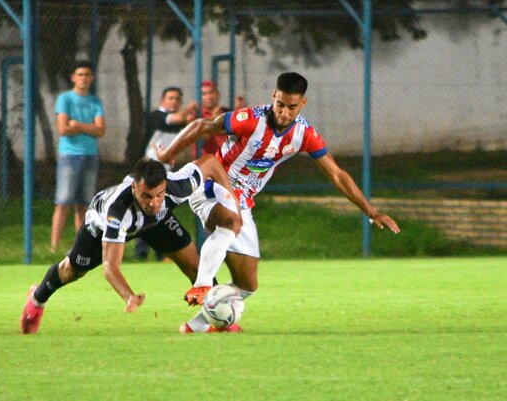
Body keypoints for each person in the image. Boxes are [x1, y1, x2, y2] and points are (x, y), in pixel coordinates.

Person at [155, 71, 401, 333]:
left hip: (243, 199)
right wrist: (168, 154)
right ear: (274, 96)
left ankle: (200, 324)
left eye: (291, 107)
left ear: (302, 104)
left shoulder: (304, 134)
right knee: (230, 222)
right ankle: (203, 283)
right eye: (280, 104)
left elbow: (337, 175)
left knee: (247, 284)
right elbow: (202, 125)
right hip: (213, 183)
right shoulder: (251, 119)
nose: (284, 112)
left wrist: (371, 212)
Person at [20, 154, 242, 334]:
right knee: (71, 271)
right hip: (100, 229)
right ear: (134, 187)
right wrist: (129, 296)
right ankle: (36, 300)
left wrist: (235, 204)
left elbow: (212, 163)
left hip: (156, 224)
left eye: (159, 195)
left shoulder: (179, 186)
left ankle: (217, 317)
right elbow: (110, 267)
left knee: (195, 265)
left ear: (166, 185)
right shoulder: (118, 211)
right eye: (147, 196)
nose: (154, 202)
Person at [136, 87, 198, 260]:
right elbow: (177, 118)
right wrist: (190, 109)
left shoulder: (178, 122)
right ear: (162, 101)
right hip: (148, 170)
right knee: (146, 209)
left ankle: (159, 251)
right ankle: (143, 250)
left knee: (159, 210)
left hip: (165, 172)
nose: (174, 101)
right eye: (170, 98)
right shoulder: (157, 116)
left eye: (177, 99)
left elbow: (188, 129)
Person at [50, 60, 106, 254]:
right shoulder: (64, 99)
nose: (83, 78)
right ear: (73, 77)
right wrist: (89, 127)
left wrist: (79, 125)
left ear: (91, 78)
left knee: (84, 204)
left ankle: (81, 247)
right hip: (69, 156)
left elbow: (101, 130)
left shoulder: (95, 101)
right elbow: (63, 128)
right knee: (63, 201)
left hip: (90, 155)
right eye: (80, 74)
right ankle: (54, 247)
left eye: (87, 75)